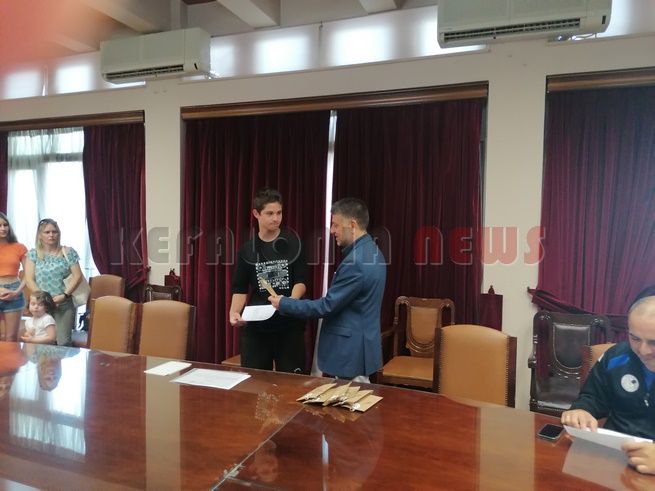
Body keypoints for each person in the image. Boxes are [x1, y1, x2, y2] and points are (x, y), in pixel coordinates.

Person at [269, 198, 386, 383]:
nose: (332, 230)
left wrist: (284, 303)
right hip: (360, 346)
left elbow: (327, 306)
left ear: (352, 225)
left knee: (352, 400)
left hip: (351, 351)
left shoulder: (356, 262)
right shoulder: (372, 251)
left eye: (335, 225)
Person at [562, 295, 655, 474]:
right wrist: (582, 410)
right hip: (613, 458)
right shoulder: (616, 356)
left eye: (654, 342)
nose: (643, 351)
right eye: (635, 338)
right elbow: (593, 397)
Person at [229, 187, 307, 373]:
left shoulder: (294, 244)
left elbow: (301, 281)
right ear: (256, 214)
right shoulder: (247, 250)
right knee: (255, 383)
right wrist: (234, 312)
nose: (276, 218)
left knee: (291, 383)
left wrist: (290, 302)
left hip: (289, 327)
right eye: (270, 213)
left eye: (279, 213)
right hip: (257, 328)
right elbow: (240, 288)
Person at [24, 219, 83, 346]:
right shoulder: (33, 254)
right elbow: (29, 279)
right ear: (40, 235)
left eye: (54, 232)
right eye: (47, 232)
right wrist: (44, 299)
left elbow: (78, 276)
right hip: (41, 304)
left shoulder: (68, 252)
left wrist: (64, 295)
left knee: (63, 342)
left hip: (63, 302)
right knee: (43, 341)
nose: (51, 235)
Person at [0, 212, 28, 342]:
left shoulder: (19, 247)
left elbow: (29, 274)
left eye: (5, 225)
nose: (3, 228)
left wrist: (17, 292)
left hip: (14, 290)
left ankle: (10, 358)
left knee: (11, 338)